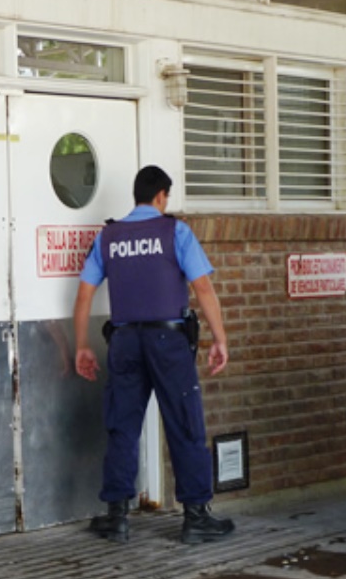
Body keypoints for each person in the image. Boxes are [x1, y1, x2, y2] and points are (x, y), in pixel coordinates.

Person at [72, 165, 235, 545]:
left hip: (125, 340)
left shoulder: (108, 236)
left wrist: (81, 345)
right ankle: (196, 516)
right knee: (184, 422)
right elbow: (203, 288)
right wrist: (220, 339)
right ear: (161, 196)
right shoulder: (175, 231)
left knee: (122, 425)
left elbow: (84, 294)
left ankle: (117, 517)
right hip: (168, 341)